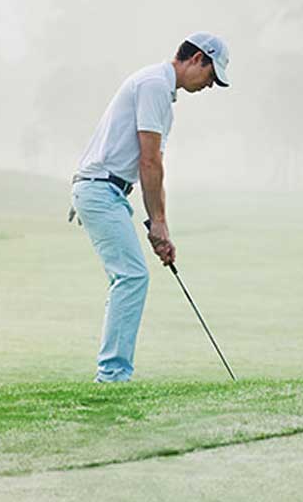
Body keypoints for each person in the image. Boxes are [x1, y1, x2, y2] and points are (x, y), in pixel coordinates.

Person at [69, 31, 230, 382]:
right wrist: (158, 223)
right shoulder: (155, 85)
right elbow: (150, 162)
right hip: (100, 190)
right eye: (210, 75)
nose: (210, 85)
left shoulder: (157, 86)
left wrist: (159, 225)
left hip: (106, 191)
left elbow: (145, 161)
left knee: (129, 276)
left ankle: (113, 373)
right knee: (132, 276)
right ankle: (112, 376)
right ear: (196, 58)